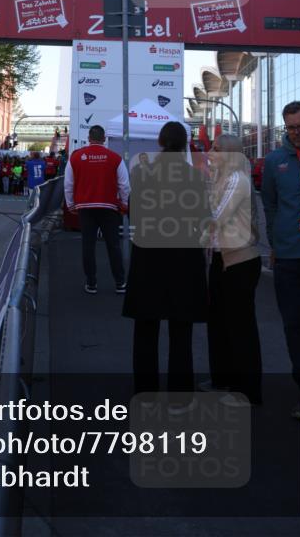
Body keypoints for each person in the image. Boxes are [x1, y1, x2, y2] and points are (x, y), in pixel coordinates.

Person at [122, 121, 208, 408]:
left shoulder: (144, 174)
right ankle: (180, 397)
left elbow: (133, 212)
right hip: (184, 261)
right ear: (185, 144)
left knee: (145, 329)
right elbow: (202, 217)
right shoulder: (194, 178)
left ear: (160, 142)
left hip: (149, 260)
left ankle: (145, 394)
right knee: (180, 331)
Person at [261, 101, 300, 422]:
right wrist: (274, 242)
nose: (296, 133)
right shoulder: (275, 161)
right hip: (288, 254)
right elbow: (269, 205)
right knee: (293, 325)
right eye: (290, 128)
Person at [200, 134, 262, 406]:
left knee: (240, 327)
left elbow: (216, 219)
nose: (210, 152)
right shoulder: (219, 178)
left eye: (215, 149)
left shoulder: (238, 180)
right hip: (221, 259)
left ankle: (246, 391)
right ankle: (222, 379)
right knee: (219, 323)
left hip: (239, 261)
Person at [64, 125, 129, 295]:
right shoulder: (115, 158)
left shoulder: (76, 157)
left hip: (85, 208)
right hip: (109, 208)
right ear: (104, 138)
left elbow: (68, 184)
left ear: (88, 137)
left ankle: (91, 283)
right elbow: (124, 186)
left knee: (88, 245)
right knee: (113, 245)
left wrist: (71, 204)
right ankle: (120, 282)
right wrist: (123, 205)